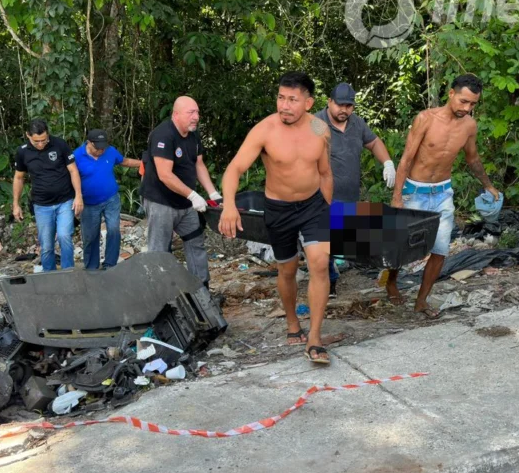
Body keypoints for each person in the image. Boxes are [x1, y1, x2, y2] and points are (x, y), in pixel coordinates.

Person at [219, 72, 334, 364]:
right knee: (287, 271)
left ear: (308, 103)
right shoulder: (264, 130)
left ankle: (315, 338)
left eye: (292, 100)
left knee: (320, 263)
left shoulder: (321, 128)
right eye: (281, 97)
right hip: (279, 209)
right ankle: (293, 320)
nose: (284, 105)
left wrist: (328, 208)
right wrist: (229, 206)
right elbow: (234, 170)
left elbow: (324, 172)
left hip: (313, 206)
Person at [388, 74, 500, 318]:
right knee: (402, 247)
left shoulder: (469, 126)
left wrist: (488, 186)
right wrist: (397, 196)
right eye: (463, 101)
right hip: (415, 191)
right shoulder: (425, 119)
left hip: (442, 193)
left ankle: (421, 301)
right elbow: (406, 159)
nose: (466, 108)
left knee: (440, 250)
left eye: (472, 104)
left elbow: (473, 159)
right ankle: (390, 281)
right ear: (451, 93)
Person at [314, 82, 395, 297]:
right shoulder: (316, 123)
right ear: (329, 102)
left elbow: (374, 142)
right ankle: (328, 284)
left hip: (349, 195)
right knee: (324, 240)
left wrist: (387, 162)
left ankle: (341, 271)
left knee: (343, 238)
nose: (344, 110)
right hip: (322, 195)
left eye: (349, 106)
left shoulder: (357, 124)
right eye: (340, 105)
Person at [141, 96, 221, 288]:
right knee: (159, 251)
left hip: (185, 204)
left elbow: (199, 164)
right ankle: (160, 295)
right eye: (191, 113)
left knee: (196, 241)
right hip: (161, 202)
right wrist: (193, 195)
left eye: (197, 112)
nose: (196, 117)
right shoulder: (163, 135)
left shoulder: (193, 135)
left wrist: (213, 194)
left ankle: (201, 289)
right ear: (176, 115)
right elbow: (165, 175)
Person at [12, 119, 83, 272]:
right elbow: (18, 178)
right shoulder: (23, 151)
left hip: (65, 200)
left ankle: (68, 273)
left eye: (44, 140)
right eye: (36, 141)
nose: (40, 144)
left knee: (64, 236)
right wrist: (16, 204)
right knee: (46, 244)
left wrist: (78, 196)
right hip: (41, 204)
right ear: (28, 136)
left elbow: (73, 171)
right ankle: (49, 275)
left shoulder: (60, 145)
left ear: (48, 134)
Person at [73, 129, 142, 270]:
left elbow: (125, 161)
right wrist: (76, 197)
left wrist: (144, 163)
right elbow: (70, 177)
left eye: (103, 147)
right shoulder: (77, 156)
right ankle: (91, 268)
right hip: (89, 203)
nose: (101, 151)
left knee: (113, 230)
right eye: (97, 148)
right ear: (89, 143)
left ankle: (110, 265)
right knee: (90, 236)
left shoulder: (110, 151)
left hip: (111, 199)